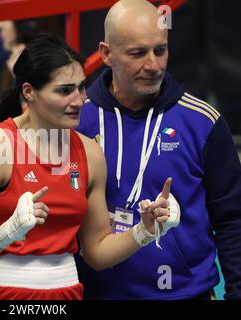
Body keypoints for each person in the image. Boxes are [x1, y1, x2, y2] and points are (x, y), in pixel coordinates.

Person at [0, 33, 179, 300]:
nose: (79, 99)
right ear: (29, 92)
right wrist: (6, 232)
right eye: (64, 90)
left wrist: (145, 231)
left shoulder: (90, 153)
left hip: (66, 291)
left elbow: (97, 253)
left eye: (81, 87)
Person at [76, 0, 241, 299]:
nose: (153, 65)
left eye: (160, 50)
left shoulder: (202, 121)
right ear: (106, 54)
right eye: (137, 53)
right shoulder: (75, 121)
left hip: (185, 294)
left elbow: (233, 220)